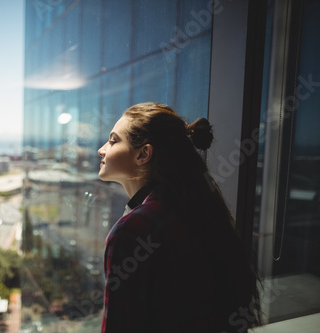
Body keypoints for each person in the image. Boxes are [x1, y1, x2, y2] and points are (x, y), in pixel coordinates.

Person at [97, 102, 261, 333]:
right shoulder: (192, 207)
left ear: (144, 153)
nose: (102, 149)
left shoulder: (135, 228)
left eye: (113, 140)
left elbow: (120, 325)